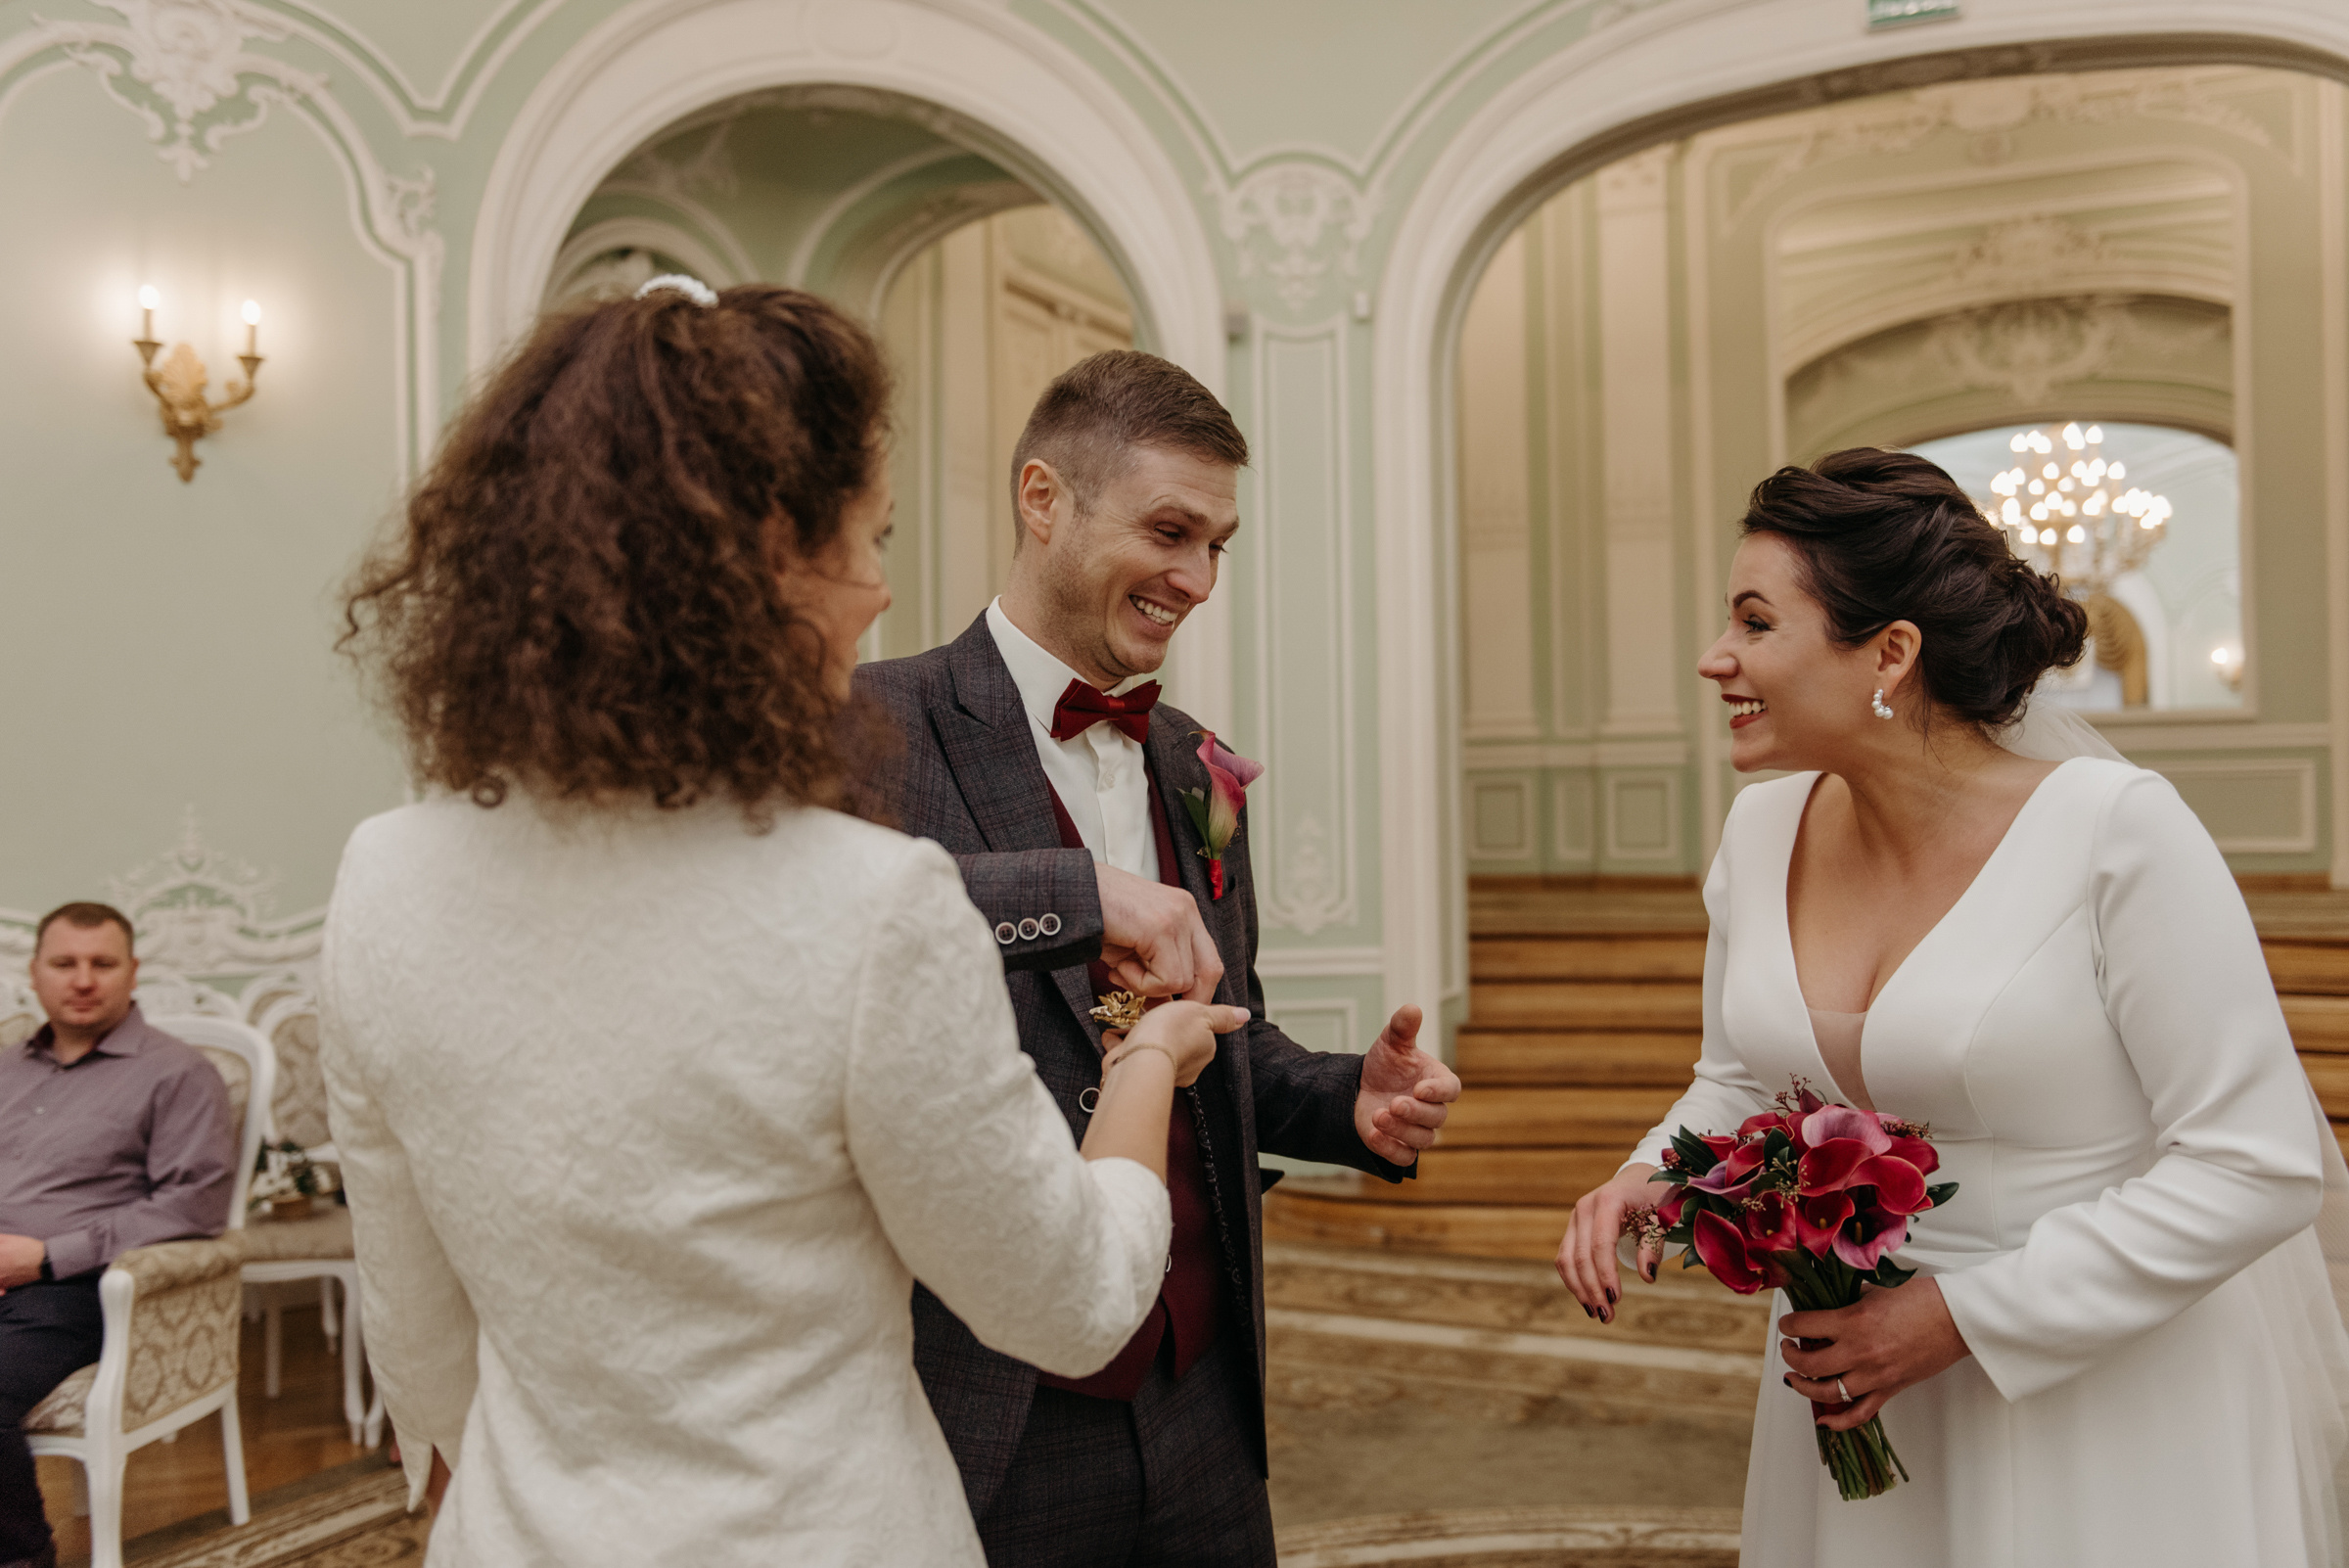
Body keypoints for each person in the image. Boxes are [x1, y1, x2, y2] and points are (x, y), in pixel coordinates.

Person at [321, 280, 1250, 1568]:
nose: (878, 592)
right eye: (865, 540)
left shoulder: (382, 881)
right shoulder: (862, 907)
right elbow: (1079, 1301)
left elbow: (418, 1338)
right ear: (760, 557)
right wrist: (1148, 1056)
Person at [1555, 446, 2349, 1565]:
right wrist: (1653, 1168)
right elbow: (1742, 1076)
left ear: (1889, 653)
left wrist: (1960, 1319)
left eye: (1754, 623)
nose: (1714, 659)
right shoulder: (1759, 835)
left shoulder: (2118, 831)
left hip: (2102, 1394)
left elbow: (2258, 1165)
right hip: (1857, 1386)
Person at [855, 348, 1462, 1567]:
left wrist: (1349, 1100)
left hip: (1200, 1397)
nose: (1195, 579)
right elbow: (836, 931)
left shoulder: (1192, 761)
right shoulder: (879, 725)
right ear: (1044, 499)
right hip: (986, 1403)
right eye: (1170, 532)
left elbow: (1227, 1038)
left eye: (1217, 546)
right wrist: (1075, 893)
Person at [1, 903, 237, 1568]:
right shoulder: (5, 1067)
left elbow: (194, 1206)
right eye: (65, 963)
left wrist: (46, 1257)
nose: (83, 979)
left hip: (72, 1291)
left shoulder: (179, 1073)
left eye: (102, 964)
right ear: (34, 973)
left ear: (132, 973)